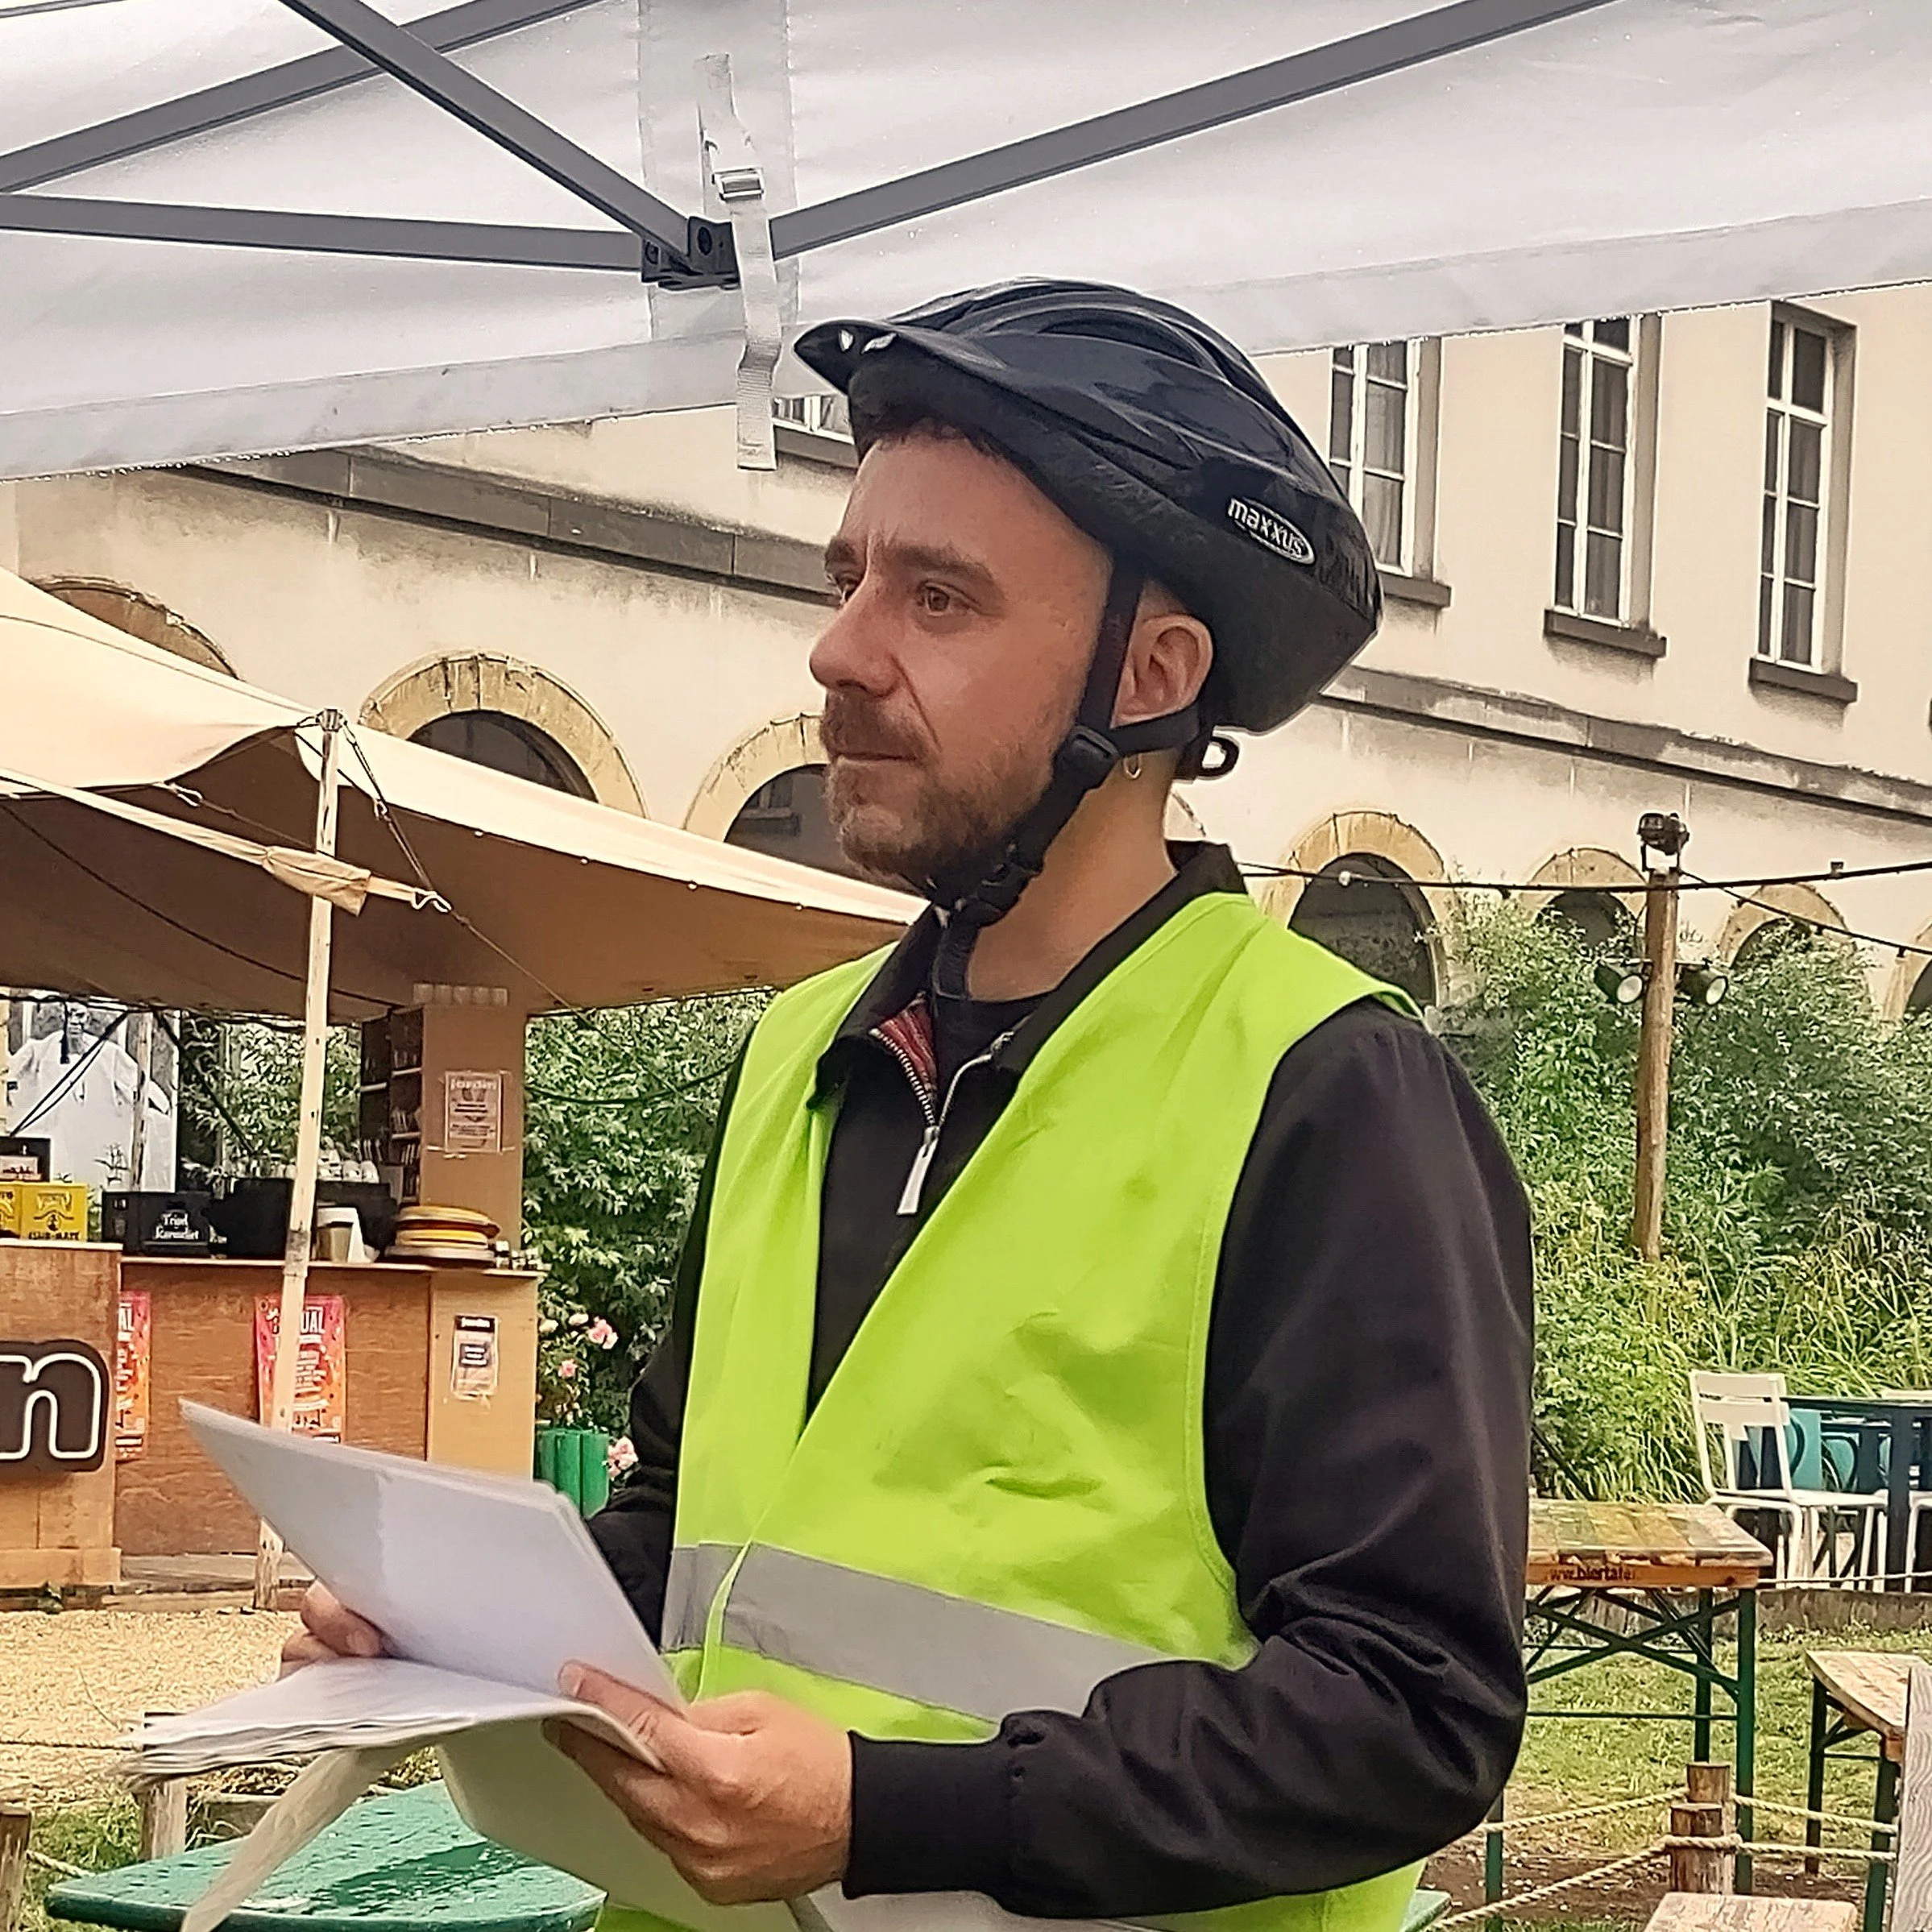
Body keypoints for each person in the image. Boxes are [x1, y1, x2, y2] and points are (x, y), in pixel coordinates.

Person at [289, 281, 1533, 1930]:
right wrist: (465, 1629)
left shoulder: (1322, 1087)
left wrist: (888, 1809)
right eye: (848, 577)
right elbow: (699, 1530)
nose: (838, 648)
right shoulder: (798, 1053)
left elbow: (1404, 1709)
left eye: (936, 597)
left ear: (1151, 672)